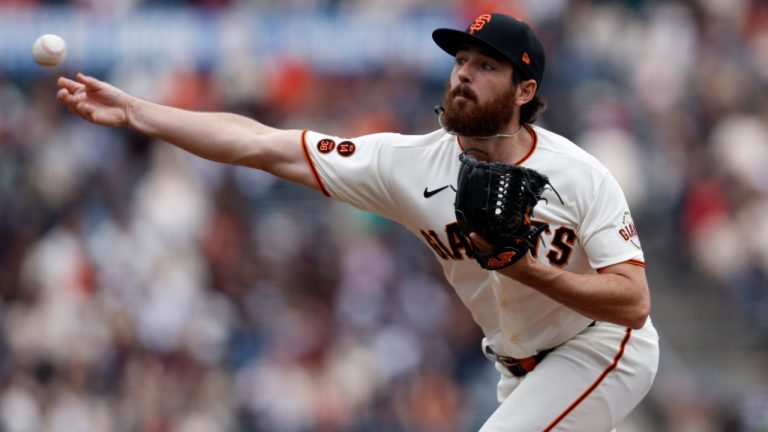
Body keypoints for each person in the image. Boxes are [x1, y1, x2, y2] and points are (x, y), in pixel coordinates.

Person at [57, 12, 659, 432]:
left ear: (525, 89)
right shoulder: (408, 163)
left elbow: (633, 303)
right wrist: (139, 111)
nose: (463, 75)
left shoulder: (580, 175)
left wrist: (526, 270)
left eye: (486, 67)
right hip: (517, 367)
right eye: (461, 61)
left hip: (602, 346)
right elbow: (264, 145)